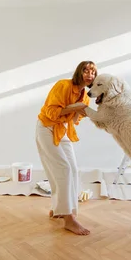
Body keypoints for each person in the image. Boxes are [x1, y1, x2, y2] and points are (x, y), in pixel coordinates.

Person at [35, 61, 97, 235]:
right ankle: (68, 219)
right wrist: (74, 107)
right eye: (86, 70)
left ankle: (58, 209)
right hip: (46, 128)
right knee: (63, 169)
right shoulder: (63, 85)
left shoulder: (85, 96)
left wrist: (80, 111)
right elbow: (51, 112)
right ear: (79, 72)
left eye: (93, 72)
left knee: (73, 170)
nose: (89, 74)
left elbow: (74, 120)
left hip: (63, 130)